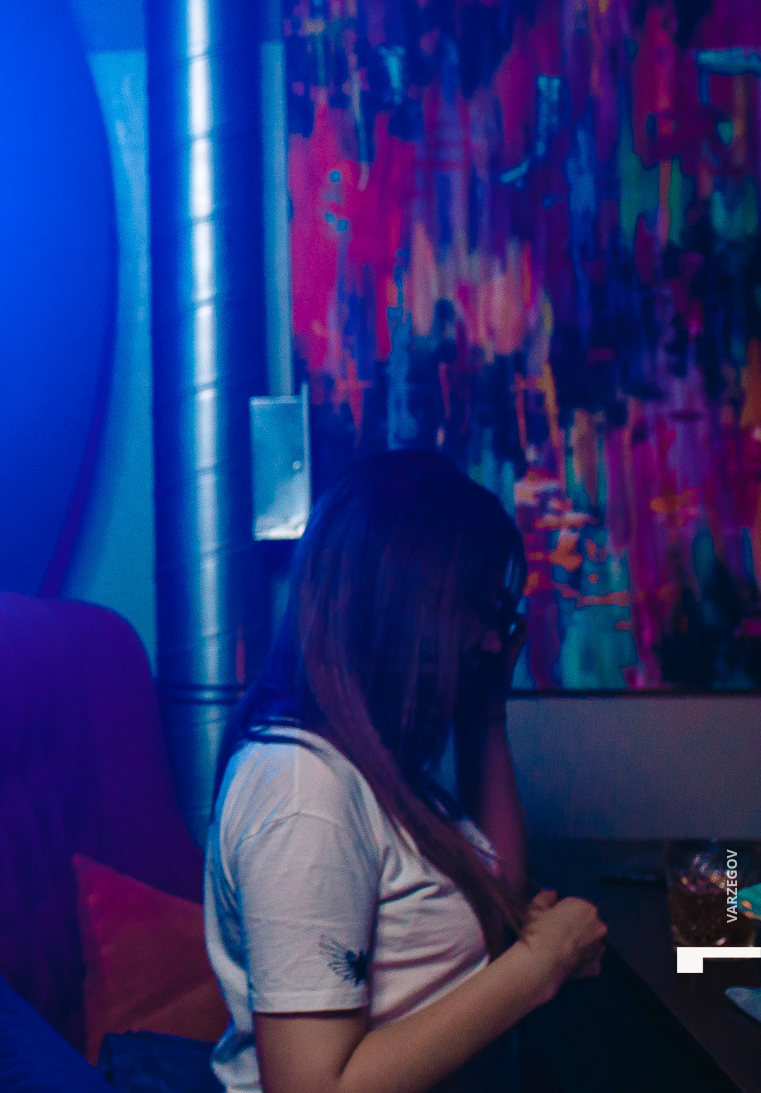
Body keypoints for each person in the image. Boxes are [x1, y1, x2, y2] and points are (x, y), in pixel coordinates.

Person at [205, 450, 606, 1093]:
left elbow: (493, 899)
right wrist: (539, 965)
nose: (490, 641)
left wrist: (484, 713)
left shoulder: (365, 760)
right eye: (479, 608)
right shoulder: (304, 792)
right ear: (404, 603)